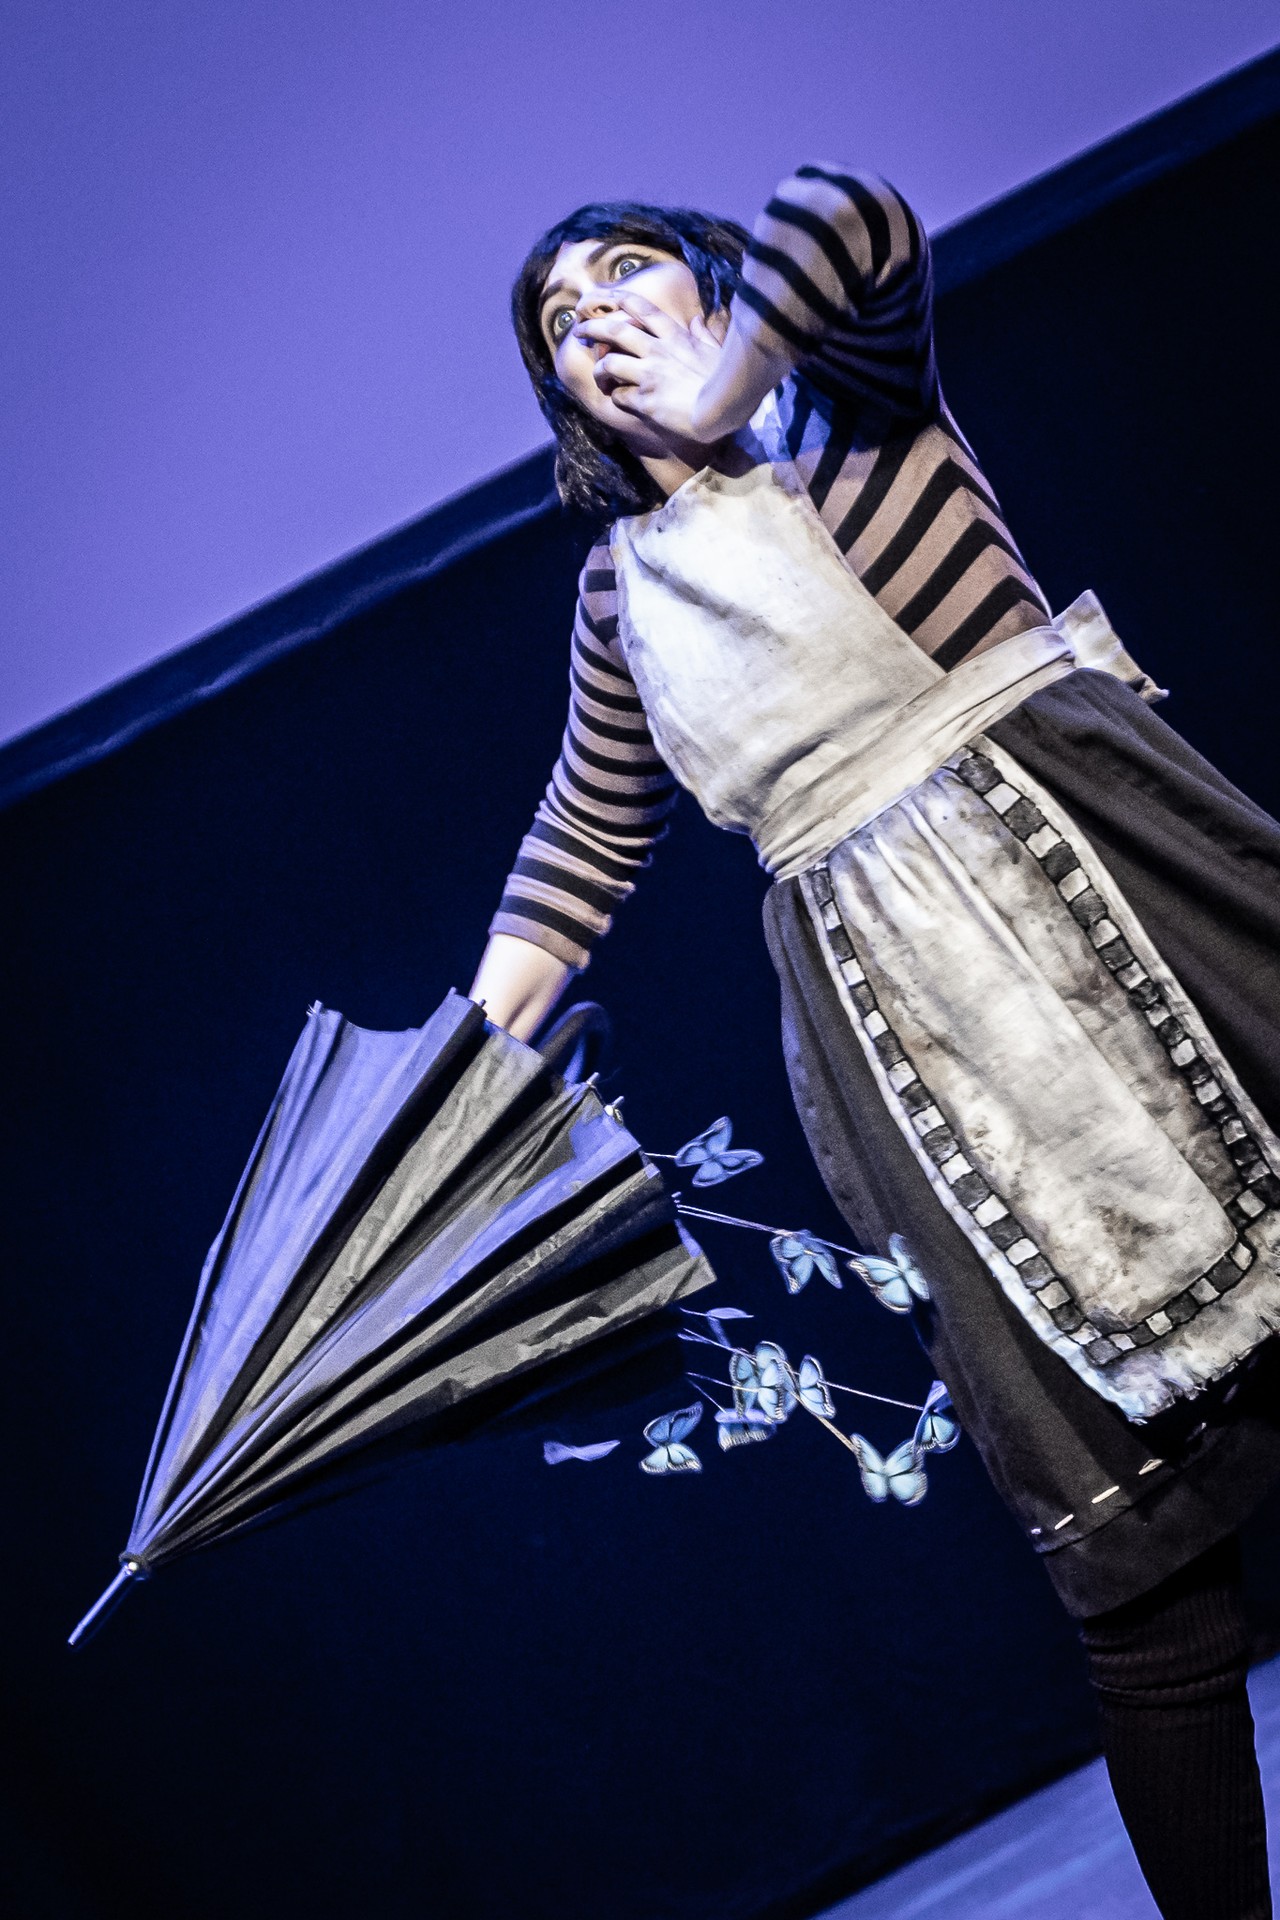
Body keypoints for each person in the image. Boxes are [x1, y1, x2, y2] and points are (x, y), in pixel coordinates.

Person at [469, 163, 1280, 1919]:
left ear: (713, 294)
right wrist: (459, 1074)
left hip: (1124, 879)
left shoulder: (854, 416)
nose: (594, 314)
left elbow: (852, 212)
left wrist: (730, 385)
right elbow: (583, 840)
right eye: (560, 323)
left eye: (627, 274)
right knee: (1139, 1576)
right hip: (916, 1044)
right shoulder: (617, 597)